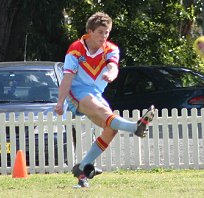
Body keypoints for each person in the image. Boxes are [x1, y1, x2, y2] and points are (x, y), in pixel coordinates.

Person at [54, 12, 155, 188]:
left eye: (107, 32)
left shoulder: (111, 48)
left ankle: (83, 168)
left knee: (111, 128)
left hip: (95, 94)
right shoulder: (75, 49)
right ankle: (134, 127)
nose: (104, 36)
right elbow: (67, 78)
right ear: (90, 32)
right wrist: (60, 102)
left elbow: (113, 66)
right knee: (104, 112)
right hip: (76, 93)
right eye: (100, 32)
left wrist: (111, 73)